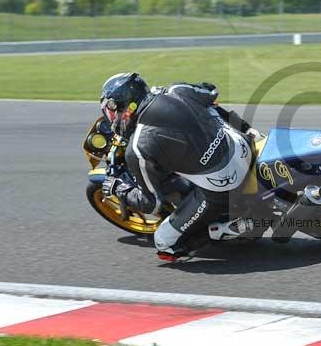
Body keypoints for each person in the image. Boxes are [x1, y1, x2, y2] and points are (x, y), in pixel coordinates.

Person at [98, 72, 259, 261]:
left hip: (225, 184)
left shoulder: (137, 148)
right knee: (207, 106)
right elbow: (211, 90)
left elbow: (151, 203)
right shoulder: (176, 90)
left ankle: (230, 228)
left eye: (112, 111)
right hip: (243, 145)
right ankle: (249, 129)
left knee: (163, 243)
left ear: (127, 106)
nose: (113, 117)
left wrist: (119, 189)